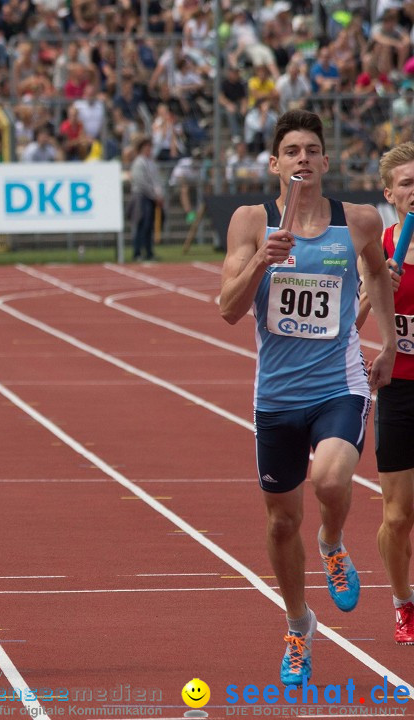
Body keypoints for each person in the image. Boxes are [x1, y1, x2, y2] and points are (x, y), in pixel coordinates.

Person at [219, 109, 398, 685]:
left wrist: (389, 341)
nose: (302, 158)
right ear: (275, 164)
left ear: (325, 162)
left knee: (330, 479)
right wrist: (259, 264)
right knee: (278, 524)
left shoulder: (361, 221)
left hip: (337, 386)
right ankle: (299, 624)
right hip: (275, 396)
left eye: (311, 150)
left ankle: (333, 541)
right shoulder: (251, 221)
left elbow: (376, 274)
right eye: (291, 150)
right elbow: (226, 309)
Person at [354, 142, 414, 645]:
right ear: (390, 193)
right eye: (408, 183)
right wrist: (380, 283)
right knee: (397, 517)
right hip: (400, 391)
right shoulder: (380, 249)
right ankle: (402, 602)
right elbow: (347, 324)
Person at [129, 135, 163, 261]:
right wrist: (154, 195)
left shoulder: (151, 163)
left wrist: (159, 194)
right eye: (146, 147)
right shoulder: (139, 162)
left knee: (149, 226)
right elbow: (141, 182)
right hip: (141, 197)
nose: (149, 149)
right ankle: (137, 252)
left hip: (151, 198)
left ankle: (149, 252)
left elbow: (157, 180)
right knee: (141, 225)